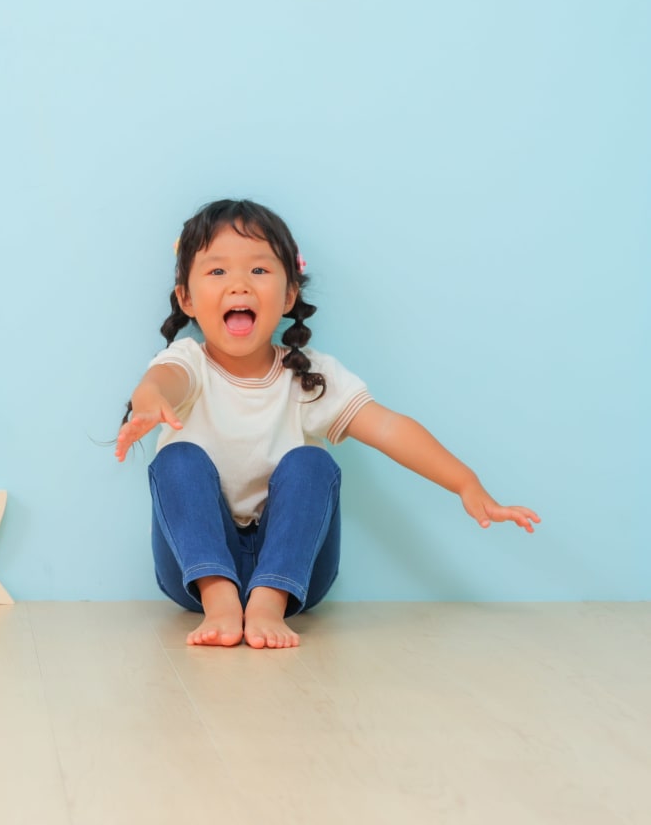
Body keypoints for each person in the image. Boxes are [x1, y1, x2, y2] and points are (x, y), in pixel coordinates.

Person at [115, 199, 538, 649]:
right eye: (217, 272)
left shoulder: (309, 376)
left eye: (259, 271)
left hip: (296, 572)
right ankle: (221, 602)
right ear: (187, 298)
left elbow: (390, 428)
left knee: (311, 463)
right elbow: (161, 382)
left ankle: (267, 604)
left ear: (290, 294)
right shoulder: (189, 364)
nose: (239, 284)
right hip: (193, 570)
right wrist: (150, 402)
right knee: (178, 458)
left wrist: (465, 483)